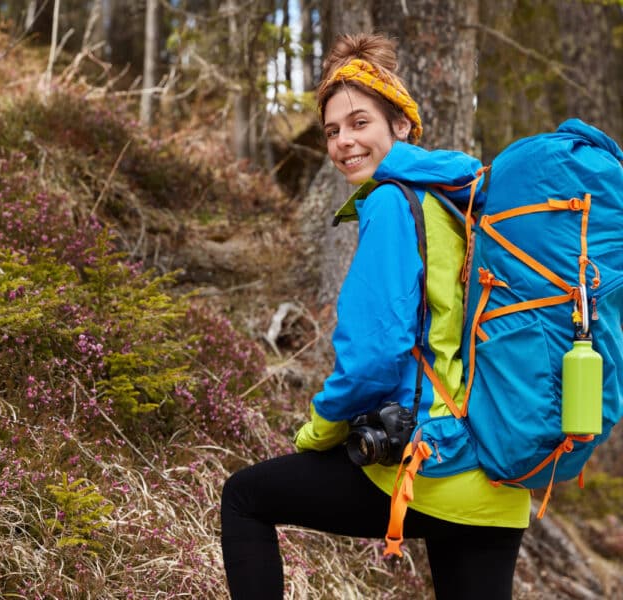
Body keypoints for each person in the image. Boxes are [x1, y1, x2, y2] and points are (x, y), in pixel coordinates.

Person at [220, 32, 531, 600]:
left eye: (360, 123)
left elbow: (374, 356)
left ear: (402, 126)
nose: (343, 142)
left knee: (244, 499)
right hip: (498, 477)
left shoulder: (392, 201)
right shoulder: (456, 203)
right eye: (333, 130)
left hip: (429, 463)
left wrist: (320, 430)